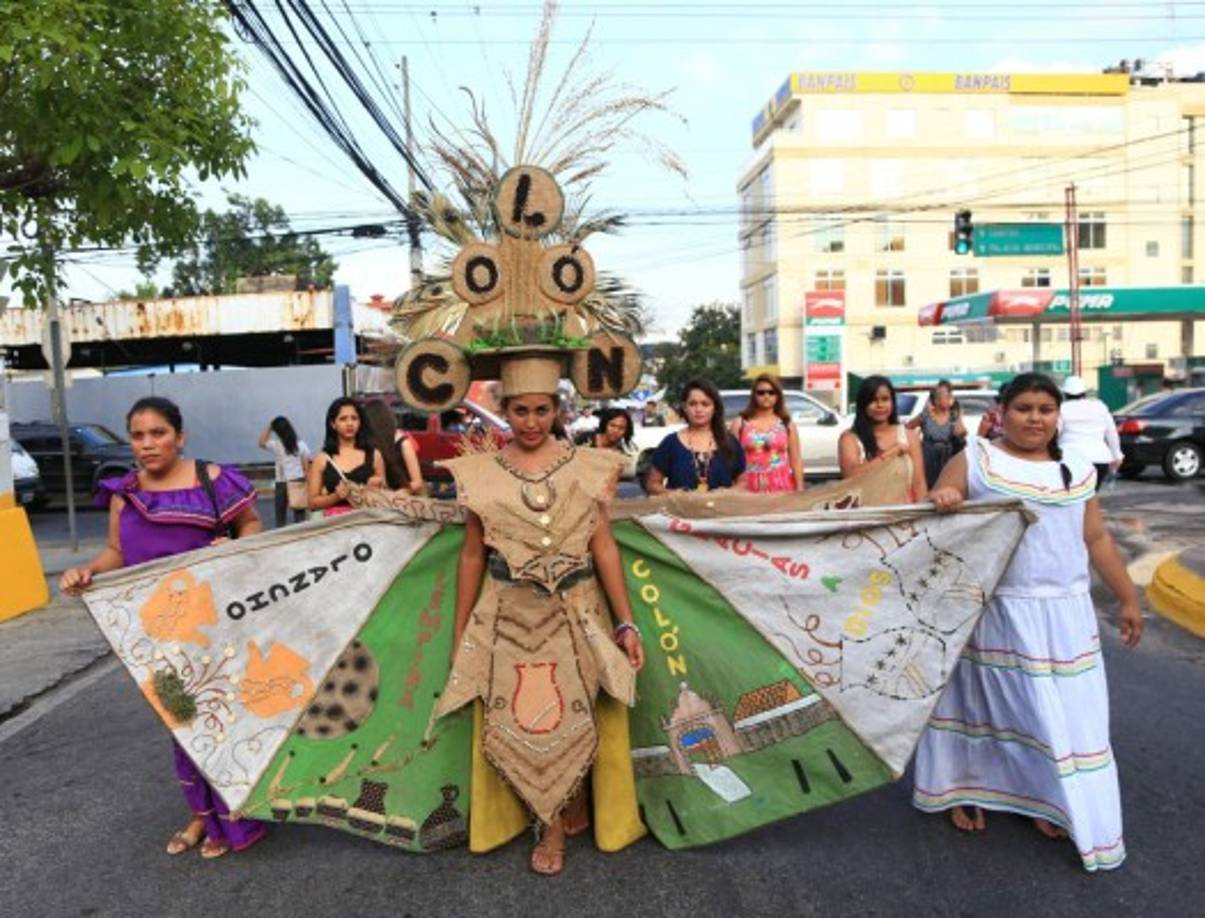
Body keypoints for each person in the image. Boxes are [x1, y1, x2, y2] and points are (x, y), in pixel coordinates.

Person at [914, 373, 1143, 872]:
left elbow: (1097, 538)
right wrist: (946, 498)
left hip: (1065, 613)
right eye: (1023, 408)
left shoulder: (1076, 467)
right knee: (988, 704)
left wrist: (1127, 597)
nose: (1035, 417)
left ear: (1057, 415)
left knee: (1057, 713)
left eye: (1045, 408)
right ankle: (967, 788)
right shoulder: (977, 459)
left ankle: (1049, 797)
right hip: (995, 608)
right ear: (1002, 412)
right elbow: (940, 501)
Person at [435, 353, 645, 876]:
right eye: (521, 410)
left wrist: (626, 621)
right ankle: (548, 821)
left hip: (578, 612)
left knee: (576, 710)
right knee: (527, 717)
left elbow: (605, 548)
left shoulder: (590, 466)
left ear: (558, 408)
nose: (531, 421)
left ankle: (567, 806)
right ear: (505, 410)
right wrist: (462, 630)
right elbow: (471, 555)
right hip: (509, 614)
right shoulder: (479, 473)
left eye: (542, 410)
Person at [59, 396, 267, 859]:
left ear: (180, 436)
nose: (148, 444)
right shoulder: (123, 492)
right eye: (138, 435)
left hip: (213, 628)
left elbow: (252, 526)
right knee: (180, 722)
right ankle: (201, 815)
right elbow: (116, 552)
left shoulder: (214, 481)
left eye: (159, 433)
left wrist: (228, 551)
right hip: (153, 633)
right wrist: (88, 571)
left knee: (218, 719)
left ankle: (235, 815)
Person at [645, 378, 747, 494]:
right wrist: (677, 496)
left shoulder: (729, 442)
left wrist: (725, 495)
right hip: (680, 510)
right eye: (693, 404)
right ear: (684, 407)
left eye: (705, 404)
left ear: (715, 408)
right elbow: (652, 484)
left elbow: (743, 482)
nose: (699, 409)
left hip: (721, 510)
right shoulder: (671, 443)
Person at [838, 375, 927, 500]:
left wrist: (922, 516)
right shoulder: (850, 438)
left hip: (904, 515)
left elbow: (919, 484)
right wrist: (892, 452)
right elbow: (851, 477)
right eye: (873, 400)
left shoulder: (908, 437)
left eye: (885, 399)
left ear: (893, 402)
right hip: (866, 515)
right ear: (863, 404)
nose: (880, 405)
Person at [307, 397, 385, 516]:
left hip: (368, 523)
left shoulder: (374, 455)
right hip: (336, 526)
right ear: (333, 424)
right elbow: (312, 503)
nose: (350, 423)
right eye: (343, 419)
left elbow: (384, 495)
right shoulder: (322, 459)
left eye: (354, 418)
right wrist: (336, 496)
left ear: (360, 422)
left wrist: (375, 489)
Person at [731, 374, 804, 493]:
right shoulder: (740, 424)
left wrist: (800, 488)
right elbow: (731, 461)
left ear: (778, 396)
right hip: (749, 488)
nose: (766, 396)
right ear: (754, 395)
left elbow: (796, 460)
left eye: (771, 392)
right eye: (761, 392)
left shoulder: (787, 424)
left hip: (781, 487)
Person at [1059, 375, 1123, 492]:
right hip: (1099, 459)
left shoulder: (1062, 409)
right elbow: (1111, 433)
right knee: (1091, 497)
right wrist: (1117, 455)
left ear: (1064, 393)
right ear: (1084, 392)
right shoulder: (1099, 407)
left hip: (1070, 460)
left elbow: (1055, 433)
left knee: (1073, 498)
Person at [907, 379, 966, 489]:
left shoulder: (954, 416)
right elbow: (907, 428)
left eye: (950, 396)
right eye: (946, 396)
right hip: (927, 458)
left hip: (947, 458)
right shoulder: (925, 416)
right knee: (927, 486)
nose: (949, 399)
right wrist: (914, 442)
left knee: (946, 486)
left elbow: (962, 434)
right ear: (936, 400)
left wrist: (960, 417)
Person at [360, 399, 424, 493]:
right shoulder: (368, 444)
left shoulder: (403, 443)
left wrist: (403, 491)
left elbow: (418, 482)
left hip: (403, 500)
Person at [258, 415, 311, 526]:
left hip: (281, 482)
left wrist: (270, 427)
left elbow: (261, 442)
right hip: (298, 480)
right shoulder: (301, 445)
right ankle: (301, 537)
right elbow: (306, 469)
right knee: (300, 516)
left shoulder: (277, 445)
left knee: (280, 517)